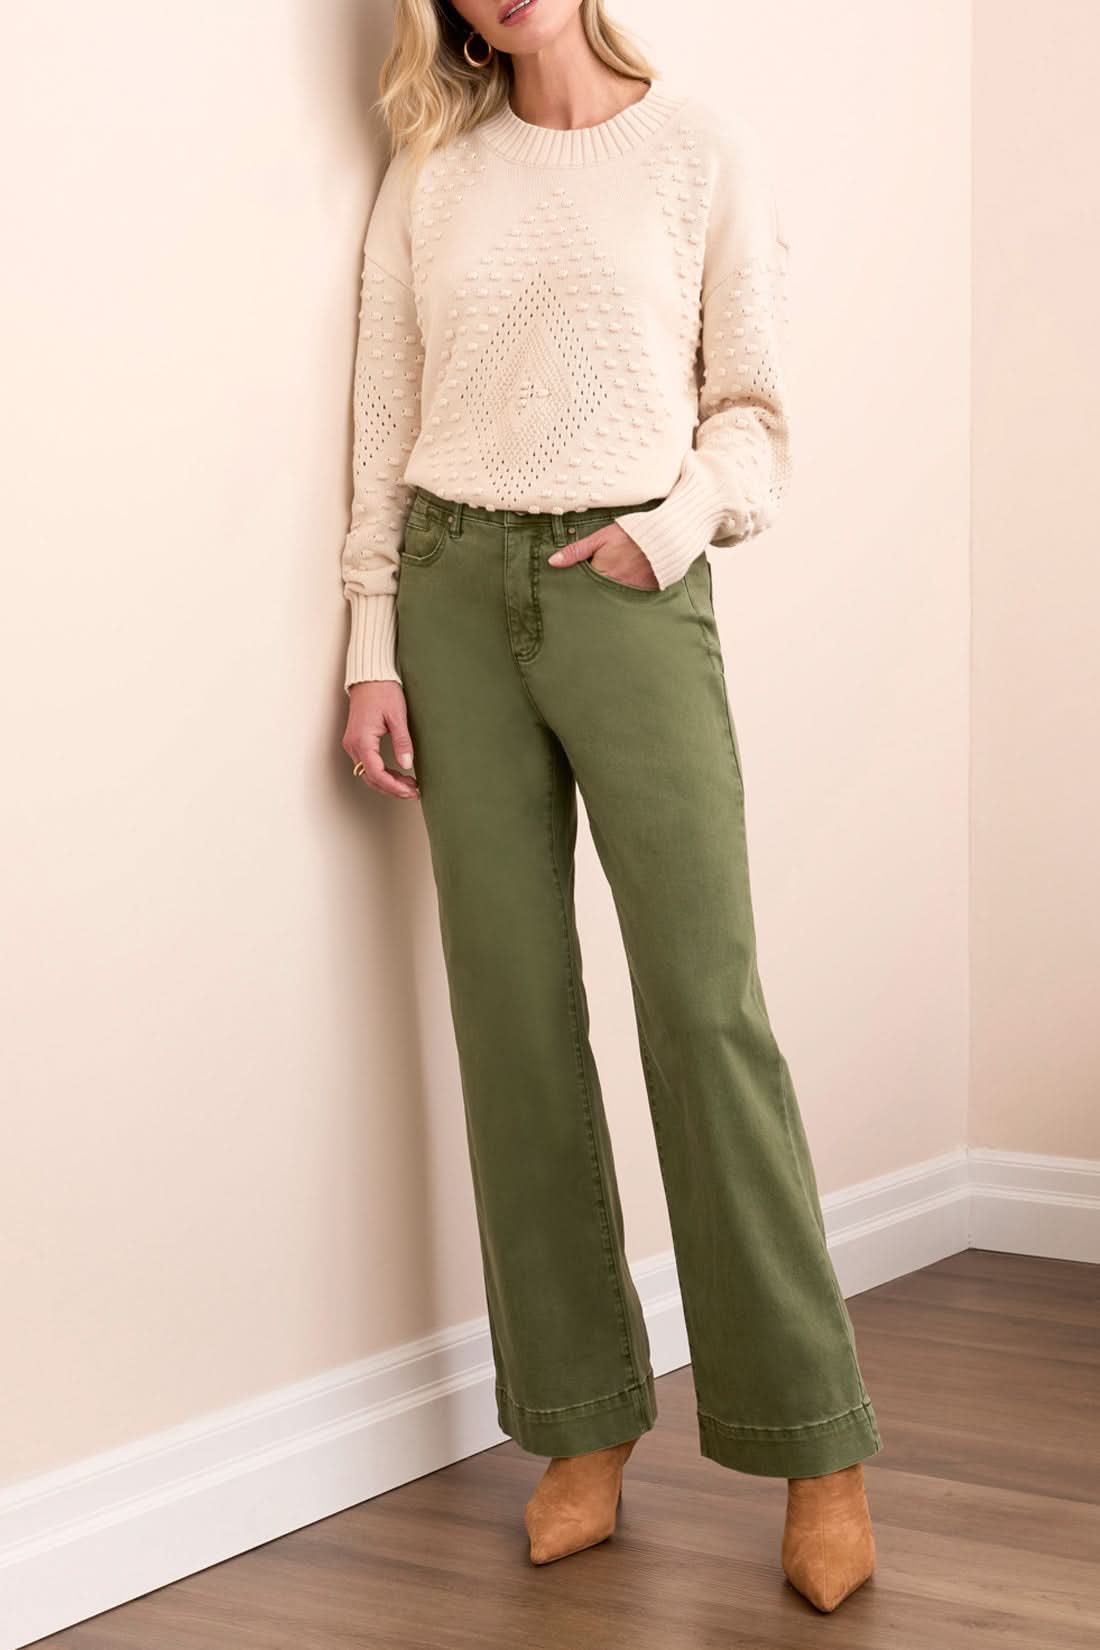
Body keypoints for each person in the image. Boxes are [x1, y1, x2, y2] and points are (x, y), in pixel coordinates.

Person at [339, 0, 881, 1614]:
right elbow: (382, 417)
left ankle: (816, 1442)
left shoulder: (698, 150)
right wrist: (372, 641)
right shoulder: (433, 170)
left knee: (705, 1009)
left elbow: (754, 411)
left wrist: (677, 522)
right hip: (452, 590)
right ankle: (581, 1420)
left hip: (630, 585)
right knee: (514, 1018)